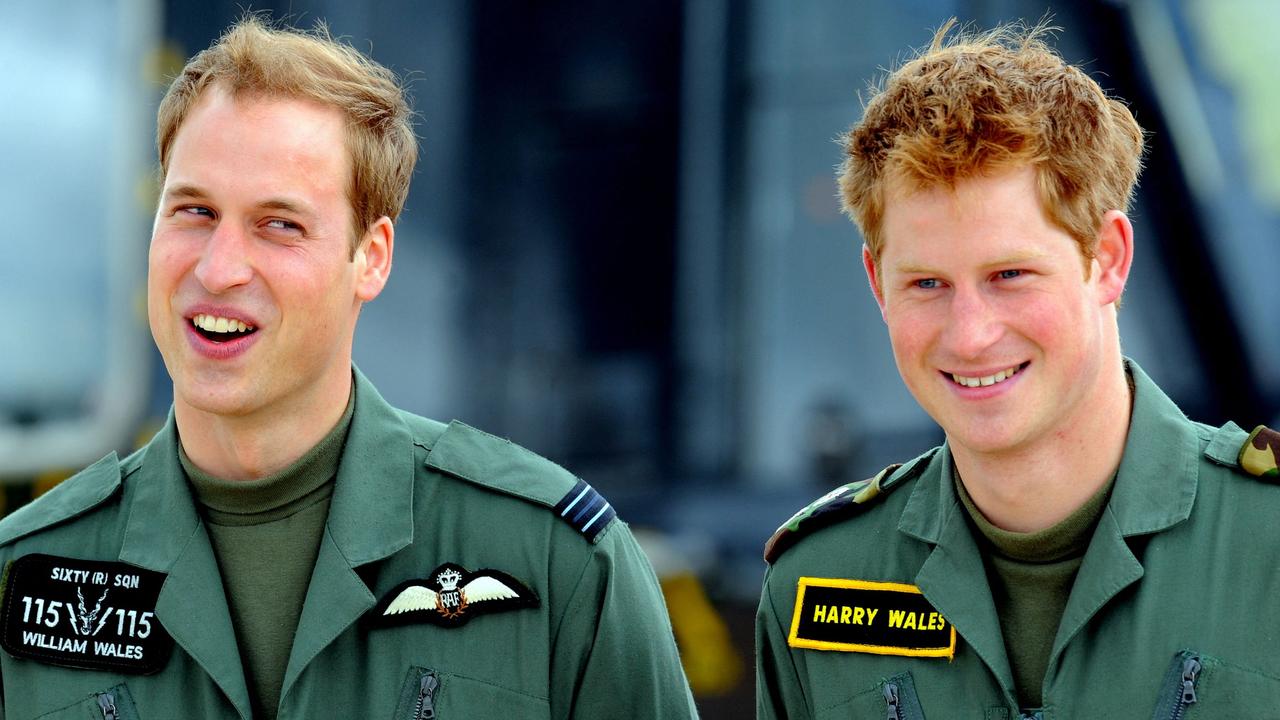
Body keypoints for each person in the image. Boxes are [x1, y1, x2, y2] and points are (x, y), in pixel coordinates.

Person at [0, 16, 698, 719]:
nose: (218, 268)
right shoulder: (19, 579)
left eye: (280, 224)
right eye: (195, 211)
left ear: (372, 257)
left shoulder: (556, 567)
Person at [756, 19, 1280, 719]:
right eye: (927, 285)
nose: (970, 337)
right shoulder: (817, 586)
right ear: (877, 284)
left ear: (1109, 259)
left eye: (1010, 274)